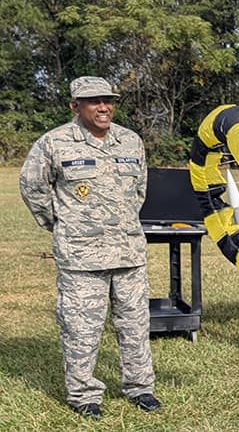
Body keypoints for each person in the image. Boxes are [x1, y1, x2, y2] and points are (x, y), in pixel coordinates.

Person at [19, 76, 161, 419]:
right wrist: (61, 223)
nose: (104, 107)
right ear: (75, 106)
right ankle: (84, 394)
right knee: (81, 329)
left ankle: (140, 388)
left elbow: (138, 192)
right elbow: (31, 186)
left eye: (108, 100)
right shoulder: (55, 143)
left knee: (135, 325)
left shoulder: (130, 141)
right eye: (94, 101)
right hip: (82, 258)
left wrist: (121, 223)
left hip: (128, 253)